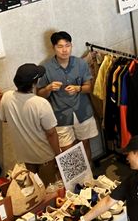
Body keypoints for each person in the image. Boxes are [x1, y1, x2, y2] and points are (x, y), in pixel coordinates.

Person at [0, 64, 62, 183]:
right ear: (34, 83)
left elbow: (5, 118)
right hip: (45, 156)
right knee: (50, 190)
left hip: (26, 157)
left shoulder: (7, 97)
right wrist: (58, 155)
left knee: (36, 192)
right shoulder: (40, 103)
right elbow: (51, 134)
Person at [36, 31, 98, 161]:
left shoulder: (80, 64)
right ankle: (75, 181)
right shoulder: (45, 68)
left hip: (82, 111)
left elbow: (89, 87)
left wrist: (78, 88)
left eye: (67, 45)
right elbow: (39, 95)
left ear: (71, 46)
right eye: (60, 46)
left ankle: (89, 178)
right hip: (60, 115)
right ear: (53, 48)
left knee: (85, 144)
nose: (64, 50)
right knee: (68, 151)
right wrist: (48, 88)